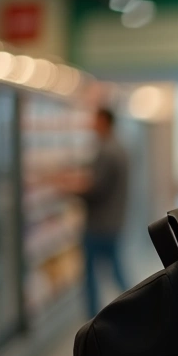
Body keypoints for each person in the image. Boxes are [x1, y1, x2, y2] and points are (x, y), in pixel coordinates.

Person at [57, 107, 130, 318]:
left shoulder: (107, 151)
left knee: (92, 274)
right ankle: (136, 305)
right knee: (115, 269)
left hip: (99, 224)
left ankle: (93, 318)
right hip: (113, 221)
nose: (92, 125)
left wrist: (69, 188)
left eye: (95, 120)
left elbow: (96, 189)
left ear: (104, 122)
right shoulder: (119, 149)